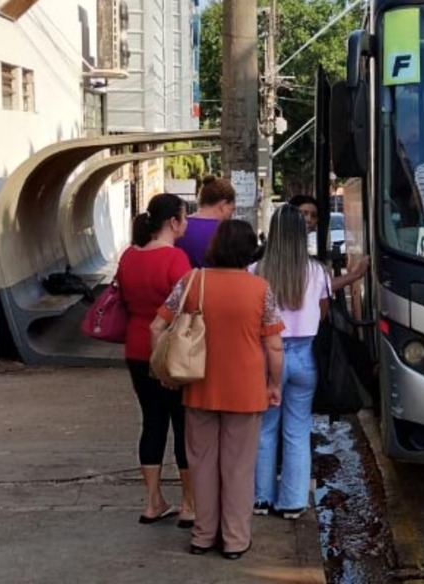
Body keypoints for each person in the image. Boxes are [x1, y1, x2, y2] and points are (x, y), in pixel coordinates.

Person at [151, 219, 285, 560]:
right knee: (239, 468)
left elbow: (157, 326)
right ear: (249, 250)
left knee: (203, 465)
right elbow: (274, 346)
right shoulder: (260, 289)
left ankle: (202, 536)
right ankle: (235, 541)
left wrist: (166, 371)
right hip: (246, 389)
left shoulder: (192, 281)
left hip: (198, 387)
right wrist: (273, 384)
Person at [115, 193, 195, 528]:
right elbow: (190, 307)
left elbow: (121, 297)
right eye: (184, 217)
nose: (186, 224)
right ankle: (189, 505)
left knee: (151, 422)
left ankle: (152, 501)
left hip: (136, 347)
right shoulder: (176, 260)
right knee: (182, 425)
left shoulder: (128, 256)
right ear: (173, 223)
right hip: (172, 350)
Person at [251, 205, 330, 519]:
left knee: (265, 429)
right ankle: (294, 502)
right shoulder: (317, 271)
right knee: (297, 430)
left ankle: (262, 498)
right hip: (305, 354)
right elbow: (323, 314)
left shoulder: (255, 270)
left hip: (266, 357)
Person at [286, 194, 369, 292]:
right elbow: (320, 286)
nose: (309, 220)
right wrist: (356, 274)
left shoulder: (298, 244)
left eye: (313, 215)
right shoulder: (286, 246)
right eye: (304, 214)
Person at [176, 175, 236, 268]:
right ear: (223, 205)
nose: (231, 214)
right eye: (232, 209)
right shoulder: (226, 232)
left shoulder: (179, 226)